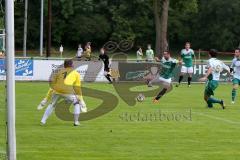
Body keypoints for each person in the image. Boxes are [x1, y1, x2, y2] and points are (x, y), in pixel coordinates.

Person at [40, 59, 87, 126]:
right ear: (72, 65)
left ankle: (43, 121)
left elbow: (52, 86)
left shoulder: (58, 72)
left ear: (64, 65)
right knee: (77, 103)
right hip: (67, 92)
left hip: (56, 91)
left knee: (52, 105)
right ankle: (76, 122)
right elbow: (77, 88)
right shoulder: (76, 73)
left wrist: (46, 98)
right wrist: (81, 100)